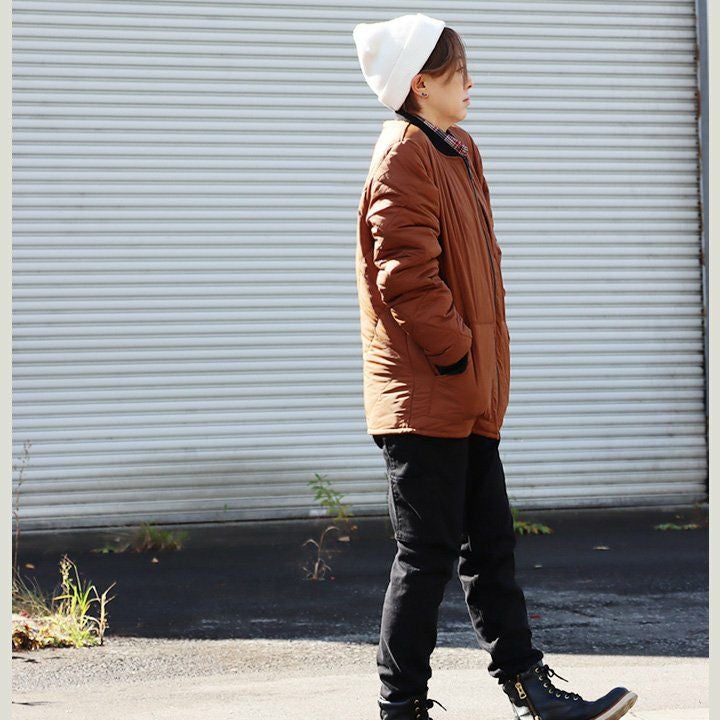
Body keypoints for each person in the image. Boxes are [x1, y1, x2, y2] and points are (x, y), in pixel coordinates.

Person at [352, 13, 638, 720]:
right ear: (421, 83)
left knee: (490, 548)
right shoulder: (403, 155)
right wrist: (457, 355)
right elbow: (406, 278)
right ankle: (400, 706)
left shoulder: (455, 149)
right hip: (427, 396)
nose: (472, 84)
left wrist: (474, 369)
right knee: (426, 556)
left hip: (465, 392)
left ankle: (530, 689)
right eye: (459, 74)